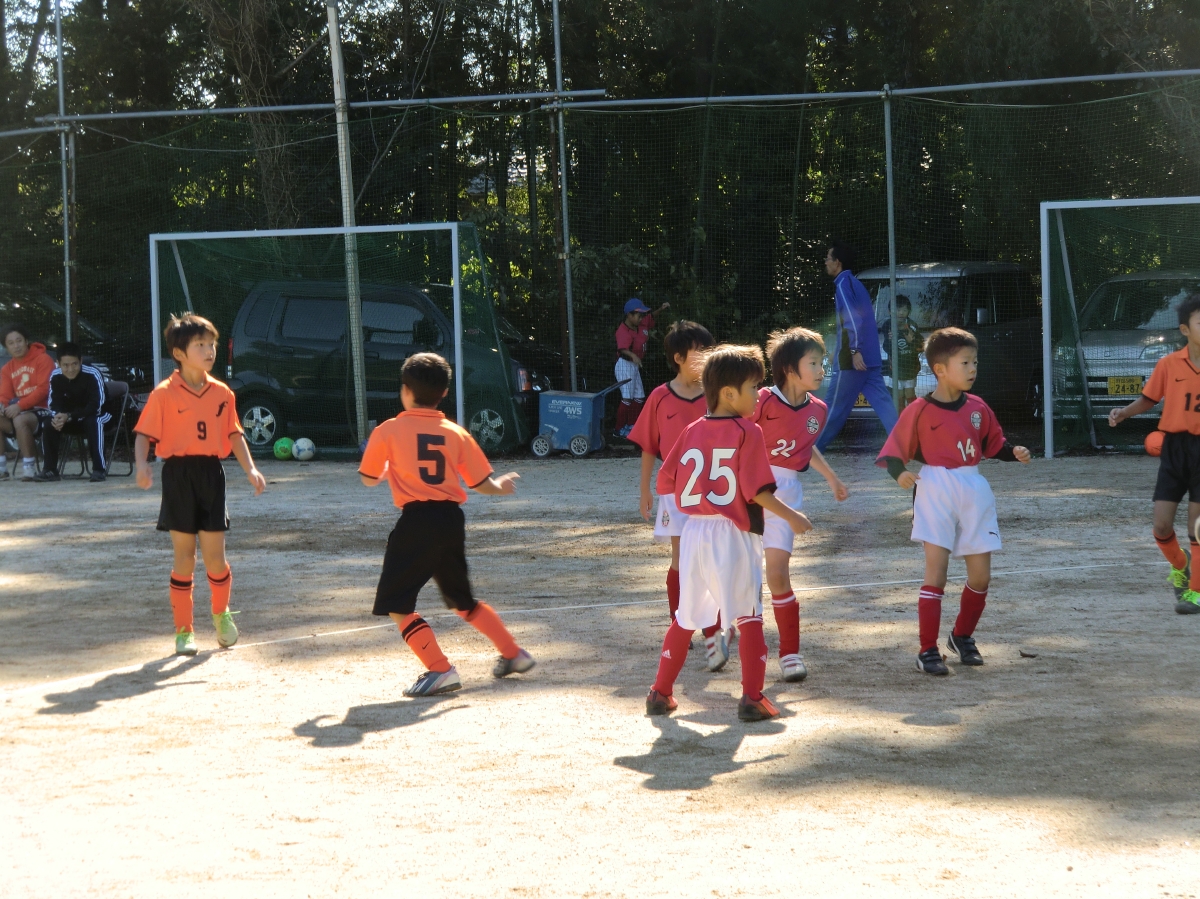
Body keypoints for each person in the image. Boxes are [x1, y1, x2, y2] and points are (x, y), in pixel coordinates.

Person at [646, 344, 812, 722]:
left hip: (694, 532)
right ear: (728, 393)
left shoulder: (691, 429)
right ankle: (752, 698)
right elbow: (756, 492)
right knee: (749, 614)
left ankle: (660, 692)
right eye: (753, 388)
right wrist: (792, 516)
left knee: (686, 616)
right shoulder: (747, 431)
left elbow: (666, 480)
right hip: (732, 534)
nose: (758, 395)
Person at [359, 352, 535, 697]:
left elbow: (367, 478)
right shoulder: (455, 432)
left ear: (405, 390)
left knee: (397, 605)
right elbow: (481, 483)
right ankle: (513, 653)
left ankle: (440, 669)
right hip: (451, 520)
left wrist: (385, 470)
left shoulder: (388, 430)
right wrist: (500, 487)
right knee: (462, 601)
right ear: (443, 393)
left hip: (416, 522)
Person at [876, 327, 1030, 676]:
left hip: (973, 486)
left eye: (975, 362)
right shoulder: (918, 409)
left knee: (981, 576)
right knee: (937, 572)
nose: (973, 368)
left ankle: (961, 636)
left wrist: (1013, 452)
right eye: (965, 362)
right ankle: (927, 649)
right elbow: (894, 454)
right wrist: (900, 474)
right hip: (935, 486)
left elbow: (994, 445)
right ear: (940, 369)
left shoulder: (978, 407)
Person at [135, 313, 266, 656]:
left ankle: (221, 614)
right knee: (185, 556)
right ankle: (184, 631)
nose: (209, 351)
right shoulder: (164, 393)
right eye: (200, 345)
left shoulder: (223, 392)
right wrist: (142, 465)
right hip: (177, 475)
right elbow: (144, 434)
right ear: (179, 353)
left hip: (211, 474)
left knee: (215, 559)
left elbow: (234, 434)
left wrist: (251, 470)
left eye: (212, 344)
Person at [628, 320, 730, 669]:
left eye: (708, 351)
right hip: (675, 493)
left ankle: (713, 633)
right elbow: (648, 445)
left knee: (711, 561)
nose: (705, 357)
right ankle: (680, 626)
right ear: (678, 358)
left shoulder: (717, 395)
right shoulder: (659, 396)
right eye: (698, 352)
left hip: (711, 494)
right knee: (681, 560)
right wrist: (644, 489)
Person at [753, 328, 849, 682]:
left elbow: (805, 448)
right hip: (748, 488)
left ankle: (790, 653)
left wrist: (832, 478)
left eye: (822, 363)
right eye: (814, 363)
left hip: (786, 491)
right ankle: (721, 631)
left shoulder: (818, 411)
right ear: (790, 369)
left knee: (777, 574)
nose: (822, 370)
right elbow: (734, 438)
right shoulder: (761, 400)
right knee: (741, 573)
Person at [1108, 292, 1200, 614]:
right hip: (1175, 449)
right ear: (1185, 329)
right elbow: (1149, 398)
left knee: (1197, 527)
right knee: (1161, 526)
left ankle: (1196, 592)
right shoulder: (1169, 364)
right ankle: (1181, 565)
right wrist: (1124, 412)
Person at [814, 242, 899, 452]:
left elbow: (853, 320)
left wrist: (854, 351)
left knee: (833, 408)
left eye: (828, 258)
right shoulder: (855, 283)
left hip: (852, 362)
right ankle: (904, 445)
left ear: (838, 262)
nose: (825, 262)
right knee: (885, 406)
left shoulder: (843, 284)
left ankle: (810, 452)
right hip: (870, 359)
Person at [35, 342, 109, 483]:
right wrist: (58, 417)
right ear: (58, 363)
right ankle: (50, 469)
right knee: (48, 423)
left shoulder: (93, 373)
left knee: (94, 421)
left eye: (74, 364)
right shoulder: (55, 376)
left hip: (100, 415)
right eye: (65, 365)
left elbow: (96, 407)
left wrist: (69, 416)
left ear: (80, 361)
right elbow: (53, 403)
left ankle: (99, 470)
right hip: (71, 418)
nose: (70, 369)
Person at [0, 324, 55, 481]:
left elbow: (44, 389)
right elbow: (4, 395)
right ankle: (1, 469)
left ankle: (29, 468)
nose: (16, 346)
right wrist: (1, 405)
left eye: (19, 341)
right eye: (11, 343)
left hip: (44, 410)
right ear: (6, 347)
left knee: (20, 420)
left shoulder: (43, 359)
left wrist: (19, 406)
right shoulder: (7, 368)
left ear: (26, 341)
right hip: (19, 411)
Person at [614, 297, 670, 437]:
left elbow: (651, 317)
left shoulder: (641, 323)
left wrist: (661, 309)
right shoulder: (623, 330)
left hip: (634, 366)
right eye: (639, 315)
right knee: (627, 398)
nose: (641, 318)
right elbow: (622, 349)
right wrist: (633, 355)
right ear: (629, 315)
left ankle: (631, 425)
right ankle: (618, 430)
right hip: (624, 365)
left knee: (639, 396)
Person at [879, 294, 923, 409]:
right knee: (898, 396)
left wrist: (911, 341)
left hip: (910, 367)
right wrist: (889, 340)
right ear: (890, 311)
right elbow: (886, 347)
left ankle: (914, 416)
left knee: (910, 394)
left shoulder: (912, 325)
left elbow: (920, 346)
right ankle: (900, 418)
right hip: (895, 368)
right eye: (898, 310)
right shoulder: (887, 325)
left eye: (904, 310)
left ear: (909, 311)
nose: (901, 313)